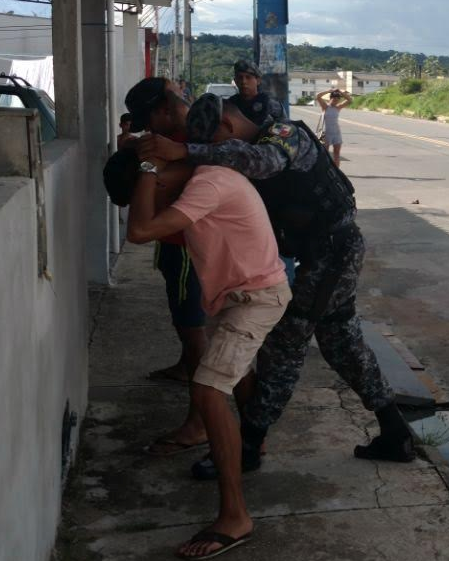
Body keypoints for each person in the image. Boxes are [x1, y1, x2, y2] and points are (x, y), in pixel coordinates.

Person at [138, 90, 415, 480]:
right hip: (323, 254)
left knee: (285, 345)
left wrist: (187, 152)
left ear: (228, 126)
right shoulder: (245, 147)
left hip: (331, 252)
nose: (216, 155)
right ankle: (395, 432)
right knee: (342, 345)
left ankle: (248, 446)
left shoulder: (283, 135)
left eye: (215, 143)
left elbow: (262, 162)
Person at [105, 116, 291, 559]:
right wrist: (141, 154)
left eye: (156, 189)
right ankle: (251, 443)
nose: (156, 199)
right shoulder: (202, 180)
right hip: (238, 295)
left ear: (163, 174)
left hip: (257, 297)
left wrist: (147, 169)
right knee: (235, 374)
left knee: (208, 389)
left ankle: (235, 517)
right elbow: (145, 221)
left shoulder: (210, 183)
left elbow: (139, 232)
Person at [121, 80, 210, 457]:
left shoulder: (192, 137)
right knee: (182, 320)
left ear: (164, 108)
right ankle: (183, 366)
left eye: (152, 117)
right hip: (171, 244)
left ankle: (200, 420)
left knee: (196, 334)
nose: (149, 127)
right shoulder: (166, 136)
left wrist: (148, 163)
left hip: (188, 245)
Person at [230, 59, 285, 123]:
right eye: (240, 77)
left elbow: (286, 128)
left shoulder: (271, 106)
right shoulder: (230, 105)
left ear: (258, 80)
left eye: (248, 77)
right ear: (235, 81)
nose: (243, 82)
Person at [315, 88, 352, 163]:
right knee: (324, 154)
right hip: (326, 133)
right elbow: (318, 96)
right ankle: (324, 171)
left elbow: (349, 100)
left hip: (336, 133)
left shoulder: (338, 107)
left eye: (337, 99)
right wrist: (329, 91)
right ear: (330, 98)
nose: (336, 101)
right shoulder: (325, 106)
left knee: (336, 154)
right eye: (334, 99)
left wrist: (341, 92)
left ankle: (336, 172)